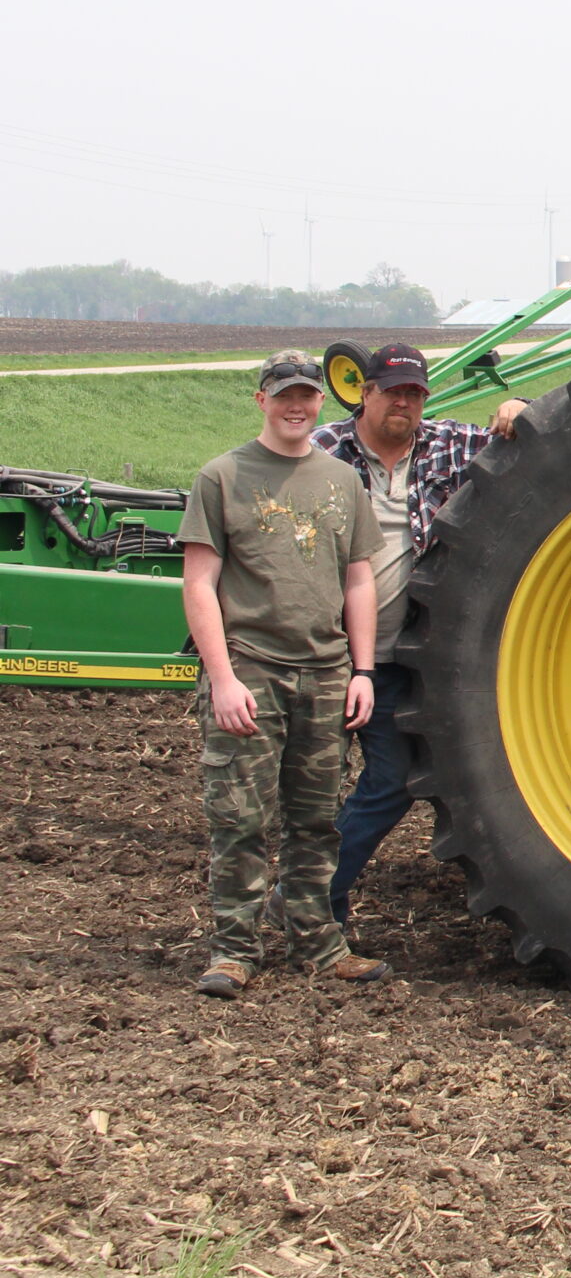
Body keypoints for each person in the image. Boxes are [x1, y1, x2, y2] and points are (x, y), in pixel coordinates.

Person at [179, 350, 392, 998]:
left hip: (325, 672)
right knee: (240, 814)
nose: (296, 406)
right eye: (284, 395)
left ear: (321, 403)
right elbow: (199, 582)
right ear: (261, 399)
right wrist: (221, 677)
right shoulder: (222, 477)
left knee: (315, 817)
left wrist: (362, 669)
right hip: (251, 669)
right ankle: (234, 948)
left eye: (306, 396)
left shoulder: (341, 481)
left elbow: (359, 580)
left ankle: (317, 942)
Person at [312, 344, 525, 932]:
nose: (404, 403)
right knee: (308, 786)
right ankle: (287, 910)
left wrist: (519, 406)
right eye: (393, 391)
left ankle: (311, 898)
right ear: (364, 392)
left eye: (415, 393)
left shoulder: (445, 444)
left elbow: (530, 449)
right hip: (323, 653)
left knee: (391, 780)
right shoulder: (323, 453)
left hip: (392, 662)